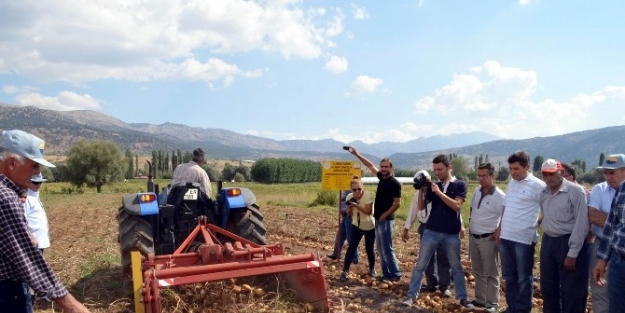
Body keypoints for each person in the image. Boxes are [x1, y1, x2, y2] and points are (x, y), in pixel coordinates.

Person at [0, 129, 90, 313]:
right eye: (34, 165)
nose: (37, 173)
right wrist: (73, 306)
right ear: (11, 164)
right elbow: (27, 259)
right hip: (7, 294)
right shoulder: (5, 197)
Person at [402, 154, 474, 309]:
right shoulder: (434, 186)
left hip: (450, 234)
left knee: (456, 267)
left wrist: (439, 193)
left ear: (449, 167)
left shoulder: (460, 185)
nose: (437, 173)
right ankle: (411, 296)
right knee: (420, 264)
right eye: (435, 170)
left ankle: (462, 299)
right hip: (431, 231)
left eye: (440, 169)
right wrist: (421, 190)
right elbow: (421, 207)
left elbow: (456, 205)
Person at [494, 151, 545, 313]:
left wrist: (534, 223)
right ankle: (512, 307)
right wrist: (499, 228)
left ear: (527, 167)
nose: (512, 172)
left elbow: (546, 209)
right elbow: (505, 207)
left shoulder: (539, 186)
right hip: (506, 237)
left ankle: (523, 309)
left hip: (524, 239)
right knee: (509, 277)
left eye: (516, 169)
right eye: (510, 168)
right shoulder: (512, 183)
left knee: (524, 278)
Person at [538, 159, 590, 313]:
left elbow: (581, 224)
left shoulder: (576, 192)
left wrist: (572, 253)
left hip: (568, 241)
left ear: (560, 172)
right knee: (548, 287)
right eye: (545, 174)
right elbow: (545, 215)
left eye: (552, 174)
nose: (548, 178)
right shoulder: (543, 192)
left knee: (571, 291)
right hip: (549, 241)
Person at [347, 146, 402, 281]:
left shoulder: (394, 183)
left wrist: (384, 215)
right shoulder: (382, 179)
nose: (383, 169)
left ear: (391, 168)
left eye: (386, 167)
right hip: (378, 219)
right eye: (382, 166)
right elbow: (370, 165)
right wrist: (357, 154)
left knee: (387, 248)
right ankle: (386, 274)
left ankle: (395, 274)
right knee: (380, 248)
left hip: (386, 220)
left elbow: (397, 203)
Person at [402, 170, 451, 297]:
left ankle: (444, 286)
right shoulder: (417, 195)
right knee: (428, 257)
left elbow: (450, 207)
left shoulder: (439, 191)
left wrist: (460, 225)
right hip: (425, 226)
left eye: (425, 183)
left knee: (443, 256)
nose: (424, 187)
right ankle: (432, 284)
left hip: (440, 226)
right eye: (421, 185)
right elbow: (413, 211)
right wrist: (406, 228)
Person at [590, 154, 625, 313]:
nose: (608, 177)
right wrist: (602, 259)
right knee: (609, 298)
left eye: (612, 172)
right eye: (605, 173)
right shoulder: (618, 190)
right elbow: (608, 223)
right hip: (614, 254)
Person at [468, 163, 505, 312]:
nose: (481, 179)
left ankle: (493, 304)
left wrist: (499, 231)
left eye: (484, 175)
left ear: (492, 176)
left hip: (488, 239)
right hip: (474, 237)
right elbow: (472, 210)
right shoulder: (477, 191)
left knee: (491, 272)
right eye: (479, 175)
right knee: (478, 271)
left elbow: (506, 215)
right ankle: (480, 300)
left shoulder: (500, 196)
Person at [339, 175, 376, 281]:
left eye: (359, 189)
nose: (357, 191)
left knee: (369, 249)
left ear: (362, 187)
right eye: (354, 189)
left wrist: (356, 205)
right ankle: (345, 271)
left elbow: (368, 212)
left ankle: (372, 269)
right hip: (356, 225)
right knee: (351, 248)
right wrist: (349, 209)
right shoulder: (349, 197)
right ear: (351, 189)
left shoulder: (368, 195)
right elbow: (349, 213)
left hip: (369, 226)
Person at [327, 190, 359, 264]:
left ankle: (355, 258)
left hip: (350, 216)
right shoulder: (344, 189)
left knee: (350, 238)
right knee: (340, 236)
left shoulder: (352, 190)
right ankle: (336, 254)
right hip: (344, 216)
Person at [24, 173, 50, 253]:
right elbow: (21, 221)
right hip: (32, 244)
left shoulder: (35, 196)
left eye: (40, 182)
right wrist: (31, 238)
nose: (38, 185)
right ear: (28, 181)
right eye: (35, 182)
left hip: (39, 242)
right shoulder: (26, 198)